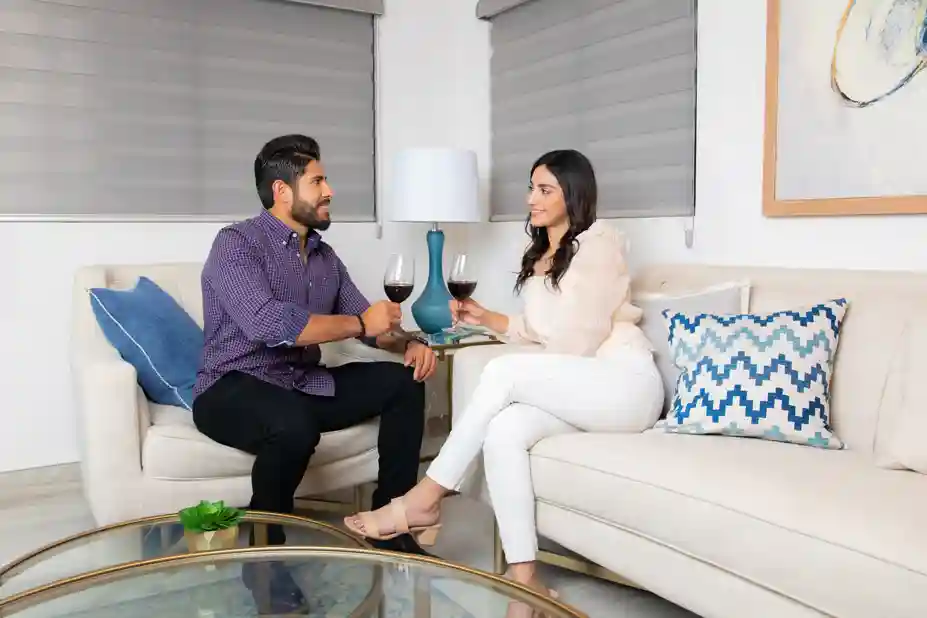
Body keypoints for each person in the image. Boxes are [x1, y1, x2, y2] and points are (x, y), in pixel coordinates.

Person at [344, 149, 663, 601]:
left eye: (545, 190)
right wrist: (486, 317)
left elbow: (578, 342)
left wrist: (521, 377)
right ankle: (524, 578)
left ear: (573, 195)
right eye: (532, 188)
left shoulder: (598, 245)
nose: (532, 199)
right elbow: (539, 330)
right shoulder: (544, 252)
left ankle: (426, 497)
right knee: (504, 430)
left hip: (623, 384)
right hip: (584, 386)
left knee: (502, 371)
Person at [193, 134, 439, 557]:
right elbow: (265, 322)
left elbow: (368, 326)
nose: (330, 191)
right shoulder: (236, 244)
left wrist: (407, 343)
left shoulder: (326, 258)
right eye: (318, 181)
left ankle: (389, 524)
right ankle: (266, 554)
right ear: (282, 191)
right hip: (231, 387)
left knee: (404, 383)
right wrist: (361, 322)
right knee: (293, 424)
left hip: (300, 383)